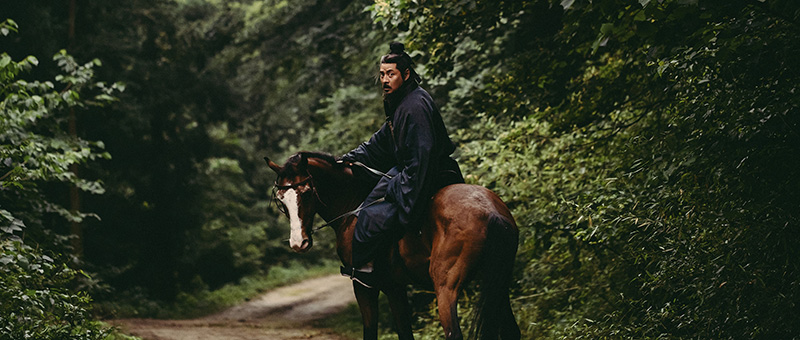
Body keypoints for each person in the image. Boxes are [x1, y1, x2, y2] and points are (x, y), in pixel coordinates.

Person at [339, 42, 464, 288]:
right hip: (413, 171)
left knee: (369, 215)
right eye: (382, 74)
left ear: (405, 75)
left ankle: (370, 272)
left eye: (391, 74)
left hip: (426, 175)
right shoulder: (401, 102)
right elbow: (381, 143)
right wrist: (350, 157)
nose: (385, 80)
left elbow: (422, 157)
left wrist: (398, 187)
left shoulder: (414, 106)